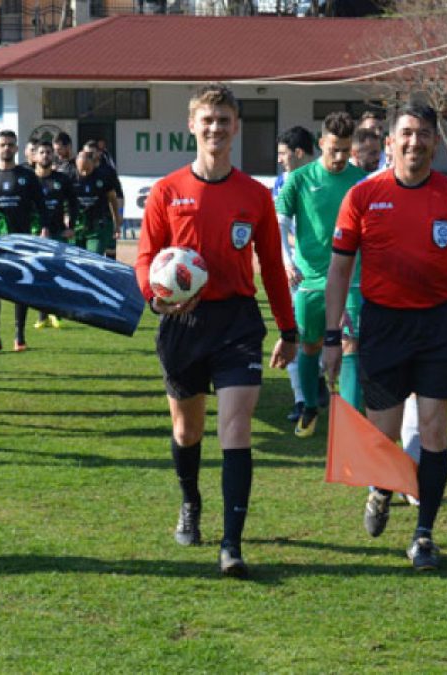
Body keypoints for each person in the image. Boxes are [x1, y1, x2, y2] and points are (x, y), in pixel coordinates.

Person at [135, 83, 298, 578]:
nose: (215, 128)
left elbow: (272, 265)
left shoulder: (254, 195)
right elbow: (145, 258)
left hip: (236, 323)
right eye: (207, 120)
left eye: (224, 120)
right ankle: (190, 502)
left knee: (236, 428)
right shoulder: (167, 191)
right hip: (183, 324)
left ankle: (232, 542)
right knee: (186, 429)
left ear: (236, 127)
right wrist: (156, 295)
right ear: (192, 125)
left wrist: (288, 329)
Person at [324, 101, 447, 571]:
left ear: (436, 141)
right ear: (390, 140)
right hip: (384, 325)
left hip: (438, 326)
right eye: (406, 133)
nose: (414, 142)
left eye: (423, 134)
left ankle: (424, 535)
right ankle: (381, 485)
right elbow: (339, 270)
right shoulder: (362, 196)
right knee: (386, 433)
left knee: (434, 431)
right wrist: (333, 335)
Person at [276, 111, 366, 438]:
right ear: (321, 143)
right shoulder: (298, 180)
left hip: (352, 281)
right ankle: (311, 406)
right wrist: (287, 260)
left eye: (346, 149)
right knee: (311, 346)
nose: (340, 157)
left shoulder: (360, 182)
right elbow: (280, 223)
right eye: (334, 150)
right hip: (309, 280)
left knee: (350, 347)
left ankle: (353, 427)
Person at [0, 129, 47, 352]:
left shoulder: (27, 177)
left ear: (17, 148)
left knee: (21, 288)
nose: (6, 148)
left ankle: (20, 336)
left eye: (10, 144)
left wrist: (44, 228)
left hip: (22, 243)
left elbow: (41, 205)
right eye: (2, 144)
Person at [273, 126, 315, 423]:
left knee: (335, 339)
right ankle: (302, 398)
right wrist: (288, 260)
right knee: (294, 335)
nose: (279, 160)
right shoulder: (283, 182)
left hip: (333, 275)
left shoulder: (331, 177)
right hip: (296, 273)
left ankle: (318, 387)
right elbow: (279, 226)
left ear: (299, 153)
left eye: (283, 154)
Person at [32, 140, 78, 329]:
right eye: (42, 152)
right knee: (39, 273)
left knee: (56, 272)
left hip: (58, 232)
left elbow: (73, 203)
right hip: (35, 234)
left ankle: (54, 312)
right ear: (35, 156)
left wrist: (71, 225)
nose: (46, 156)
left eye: (49, 152)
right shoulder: (28, 179)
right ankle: (43, 314)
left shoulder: (62, 180)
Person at [84, 139, 124, 259]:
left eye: (91, 153)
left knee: (110, 251)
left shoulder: (108, 171)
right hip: (85, 219)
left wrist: (119, 216)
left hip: (105, 217)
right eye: (86, 154)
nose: (89, 156)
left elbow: (118, 194)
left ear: (99, 153)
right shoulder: (79, 169)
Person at [72, 149, 118, 255]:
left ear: (93, 163)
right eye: (81, 169)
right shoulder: (70, 178)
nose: (84, 173)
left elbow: (112, 198)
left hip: (97, 227)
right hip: (77, 227)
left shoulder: (103, 177)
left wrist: (116, 220)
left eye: (87, 169)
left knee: (93, 257)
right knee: (76, 260)